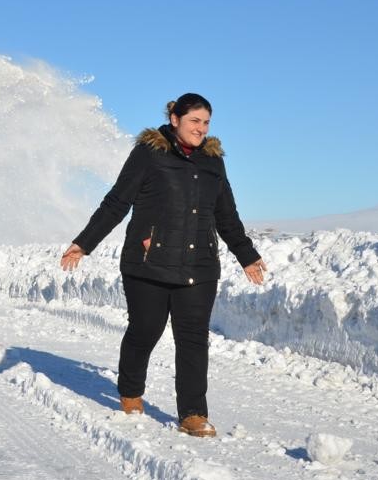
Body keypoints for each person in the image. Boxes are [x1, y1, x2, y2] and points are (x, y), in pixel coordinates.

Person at [60, 93, 266, 437]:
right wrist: (84, 242)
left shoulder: (213, 162)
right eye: (194, 121)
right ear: (175, 119)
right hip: (148, 264)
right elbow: (117, 201)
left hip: (199, 265)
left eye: (206, 122)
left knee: (194, 339)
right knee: (145, 330)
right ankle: (130, 392)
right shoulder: (149, 153)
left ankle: (193, 413)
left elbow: (226, 214)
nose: (200, 129)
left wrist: (246, 254)